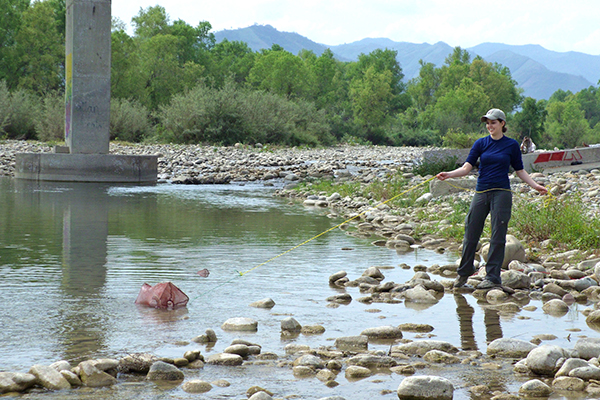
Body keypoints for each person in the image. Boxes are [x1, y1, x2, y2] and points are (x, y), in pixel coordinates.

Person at [436, 108, 547, 290]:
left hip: (501, 193)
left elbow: (519, 170)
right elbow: (466, 168)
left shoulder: (511, 145)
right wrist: (448, 175)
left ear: (502, 124)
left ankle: (493, 277)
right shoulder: (480, 143)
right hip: (481, 193)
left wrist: (535, 185)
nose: (489, 126)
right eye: (487, 123)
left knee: (497, 235)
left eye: (493, 122)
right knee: (471, 231)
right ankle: (463, 274)